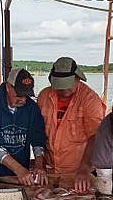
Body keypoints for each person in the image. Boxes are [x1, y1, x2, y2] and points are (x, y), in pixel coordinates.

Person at [37, 57, 105, 191]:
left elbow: (95, 137)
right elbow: (37, 133)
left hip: (79, 175)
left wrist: (84, 169)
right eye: (60, 88)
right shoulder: (44, 96)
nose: (64, 91)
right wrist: (39, 165)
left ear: (77, 78)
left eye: (68, 86)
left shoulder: (90, 99)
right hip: (50, 172)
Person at [0, 68, 47, 186]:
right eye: (19, 95)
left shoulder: (32, 108)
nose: (23, 100)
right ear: (8, 87)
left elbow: (38, 137)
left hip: (19, 177)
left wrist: (39, 165)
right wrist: (18, 169)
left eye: (26, 95)